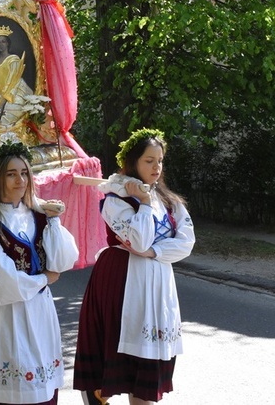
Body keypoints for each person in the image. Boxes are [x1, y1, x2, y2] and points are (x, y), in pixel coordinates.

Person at [73, 128, 195, 405]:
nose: (156, 166)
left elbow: (186, 243)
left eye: (160, 160)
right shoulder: (114, 200)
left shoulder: (170, 202)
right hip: (122, 280)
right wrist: (143, 203)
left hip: (158, 280)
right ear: (133, 163)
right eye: (148, 160)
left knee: (146, 371)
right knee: (121, 351)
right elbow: (138, 240)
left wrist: (154, 252)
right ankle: (98, 392)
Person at [0, 141, 79, 404]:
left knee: (43, 385)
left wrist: (52, 219)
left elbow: (63, 259)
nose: (21, 180)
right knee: (17, 386)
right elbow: (3, 287)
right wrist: (44, 279)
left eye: (24, 172)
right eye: (11, 174)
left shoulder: (38, 216)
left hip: (41, 311)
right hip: (11, 316)